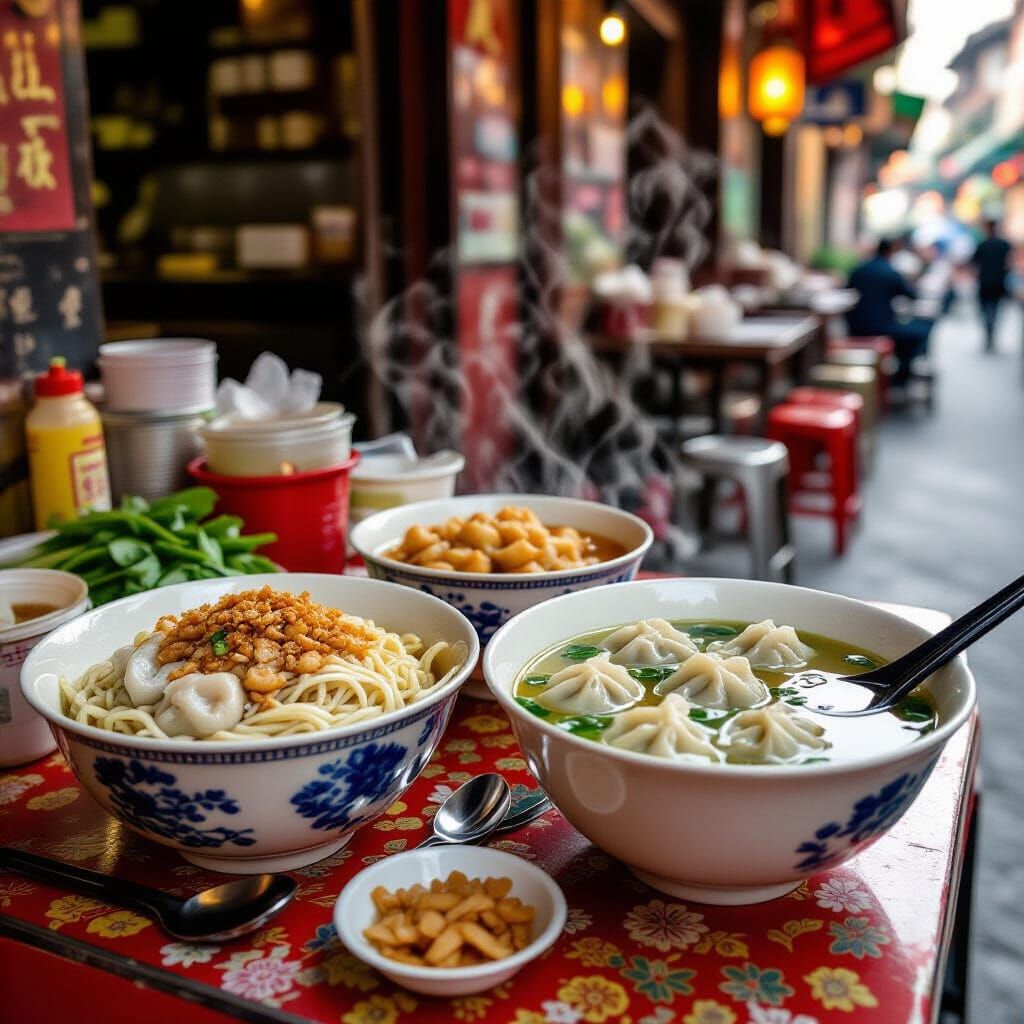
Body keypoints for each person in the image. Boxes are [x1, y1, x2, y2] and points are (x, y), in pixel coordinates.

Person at [847, 238, 931, 387]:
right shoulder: (890, 272)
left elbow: (848, 292)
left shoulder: (858, 269)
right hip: (880, 327)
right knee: (921, 333)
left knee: (907, 334)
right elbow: (911, 295)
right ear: (891, 251)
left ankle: (894, 374)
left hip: (854, 327)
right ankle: (900, 379)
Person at [970, 219, 1012, 353]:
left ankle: (988, 333)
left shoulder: (982, 244)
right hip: (999, 282)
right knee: (994, 309)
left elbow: (973, 263)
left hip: (985, 282)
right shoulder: (1004, 244)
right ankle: (991, 332)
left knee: (985, 310)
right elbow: (1010, 263)